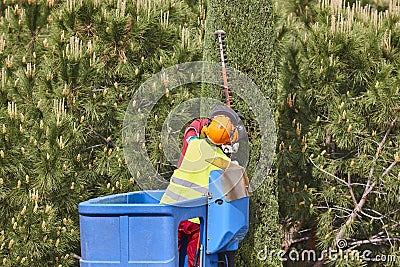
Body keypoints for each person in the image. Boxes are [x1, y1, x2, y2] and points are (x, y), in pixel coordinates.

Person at [159, 105, 243, 267]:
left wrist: (204, 122)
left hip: (169, 212)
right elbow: (237, 178)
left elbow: (190, 132)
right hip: (195, 219)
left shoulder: (194, 145)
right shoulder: (223, 163)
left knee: (166, 259)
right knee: (194, 261)